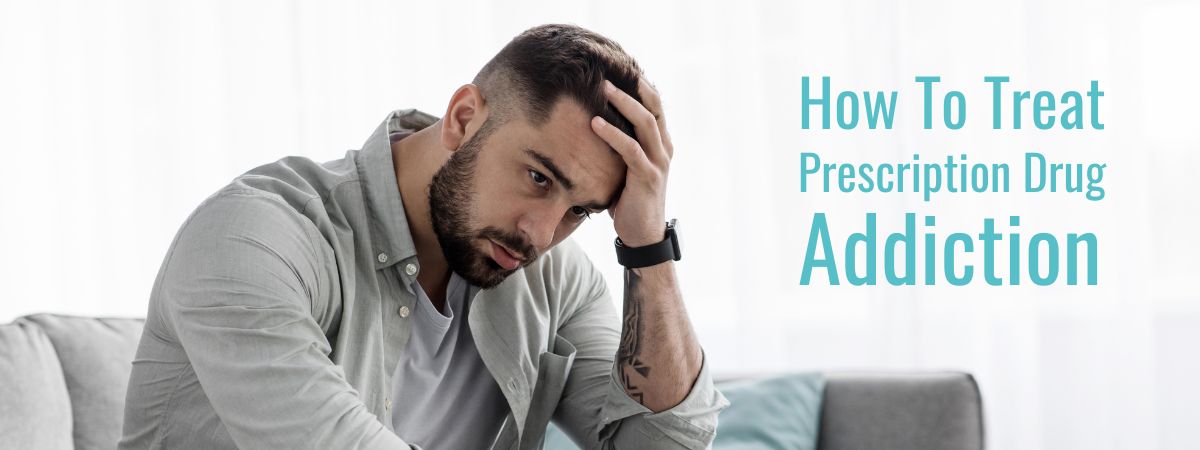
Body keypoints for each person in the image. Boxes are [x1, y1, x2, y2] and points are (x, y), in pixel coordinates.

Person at [119, 24, 727, 450]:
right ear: (464, 118)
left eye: (581, 212)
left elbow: (666, 446)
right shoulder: (256, 239)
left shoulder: (551, 278)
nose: (541, 234)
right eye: (538, 178)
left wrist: (647, 245)